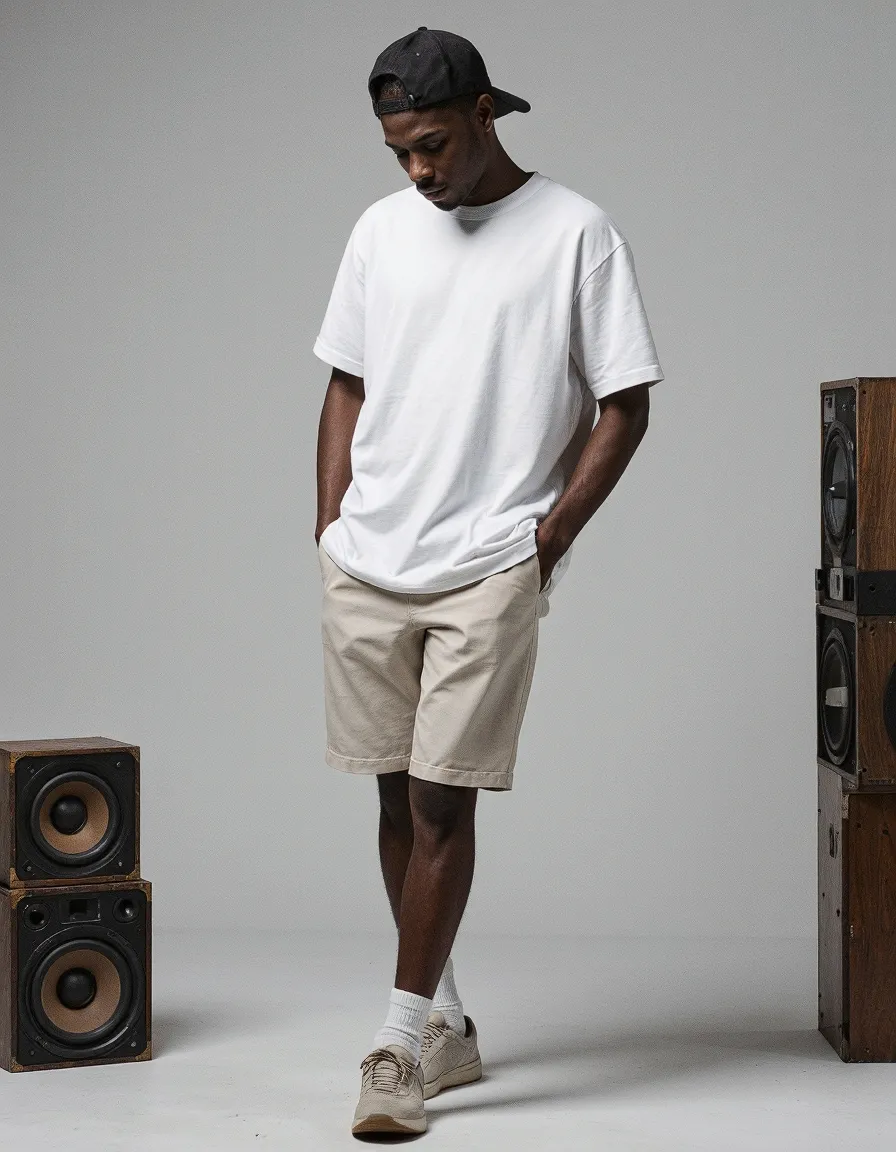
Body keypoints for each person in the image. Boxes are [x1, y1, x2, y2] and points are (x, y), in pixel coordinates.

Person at [312, 26, 665, 1138]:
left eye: (428, 146)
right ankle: (449, 1021)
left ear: (482, 115)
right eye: (396, 152)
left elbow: (625, 403)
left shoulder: (573, 232)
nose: (416, 171)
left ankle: (396, 1047)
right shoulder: (380, 231)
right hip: (368, 559)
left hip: (485, 567)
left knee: (437, 798)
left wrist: (546, 540)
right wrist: (326, 523)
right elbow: (344, 383)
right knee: (386, 787)